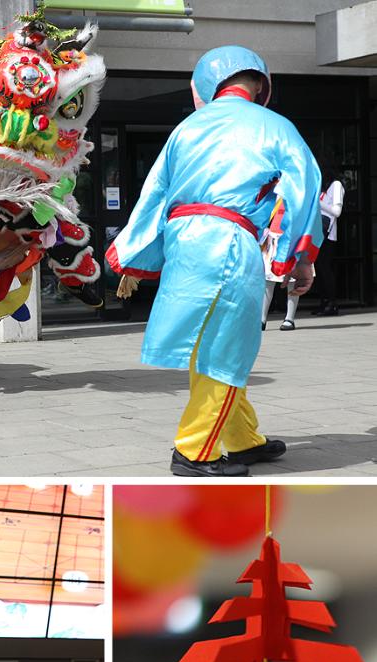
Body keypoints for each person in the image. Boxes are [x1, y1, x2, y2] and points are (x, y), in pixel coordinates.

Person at [108, 45, 323, 477]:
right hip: (229, 238)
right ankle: (193, 450)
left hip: (185, 241)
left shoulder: (185, 128)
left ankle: (243, 440)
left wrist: (135, 251)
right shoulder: (275, 126)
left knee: (209, 345)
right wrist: (297, 259)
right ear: (261, 85)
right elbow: (304, 190)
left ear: (205, 85)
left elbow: (155, 194)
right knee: (228, 348)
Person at [261, 197, 301, 331]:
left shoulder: (299, 191)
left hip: (292, 238)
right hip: (273, 237)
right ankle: (262, 318)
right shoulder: (275, 191)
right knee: (268, 279)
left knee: (293, 281)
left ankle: (289, 318)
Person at [312, 167, 345, 317]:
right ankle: (324, 302)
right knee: (320, 269)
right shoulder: (325, 188)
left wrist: (318, 203)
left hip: (329, 234)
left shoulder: (336, 185)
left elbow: (337, 211)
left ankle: (332, 303)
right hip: (319, 233)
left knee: (326, 269)